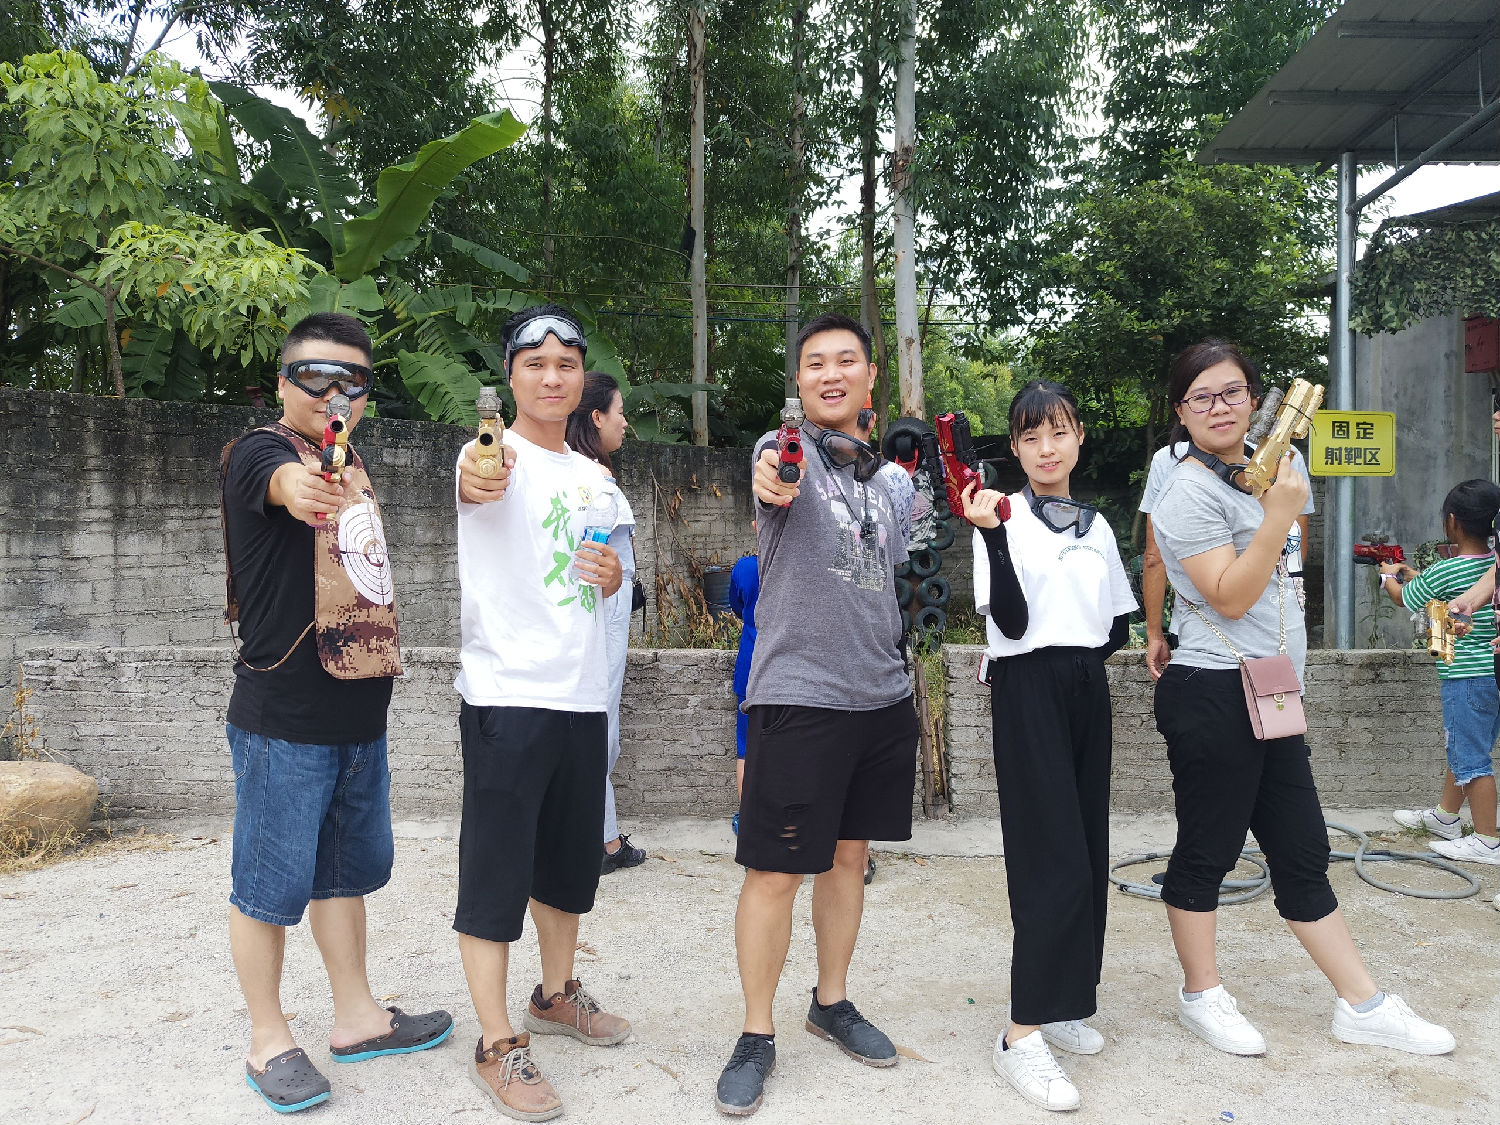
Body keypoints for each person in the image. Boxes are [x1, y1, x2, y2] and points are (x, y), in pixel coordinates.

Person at [1150, 339, 1454, 1059]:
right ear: (1181, 412)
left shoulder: (1275, 468)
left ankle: (1362, 1003)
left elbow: (1285, 584)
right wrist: (1278, 514)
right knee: (1209, 848)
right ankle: (1201, 993)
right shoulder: (1185, 492)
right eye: (1201, 397)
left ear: (1254, 399)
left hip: (1274, 688)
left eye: (1232, 392)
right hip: (1211, 688)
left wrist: (1280, 503)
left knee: (1303, 848)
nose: (1219, 407)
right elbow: (1229, 596)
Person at [219, 312, 452, 1114]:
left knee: (341, 875)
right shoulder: (261, 453)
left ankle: (357, 1016)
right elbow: (289, 485)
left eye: (353, 380)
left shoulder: (353, 462)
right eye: (315, 376)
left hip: (358, 712)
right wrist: (306, 483)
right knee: (266, 887)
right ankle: (268, 1038)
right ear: (284, 382)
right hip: (283, 719)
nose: (334, 393)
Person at [714, 313, 918, 1117]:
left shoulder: (892, 482)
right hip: (800, 695)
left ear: (870, 377)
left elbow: (885, 571)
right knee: (775, 870)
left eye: (846, 360)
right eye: (814, 363)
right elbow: (774, 472)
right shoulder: (784, 447)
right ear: (799, 381)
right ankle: (756, 1031)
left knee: (848, 857)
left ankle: (830, 1001)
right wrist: (776, 470)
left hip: (881, 695)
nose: (831, 373)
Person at [453, 304, 633, 1122]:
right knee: (496, 874)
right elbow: (477, 476)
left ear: (581, 375)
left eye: (566, 363)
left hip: (580, 693)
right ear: (511, 375)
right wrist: (480, 463)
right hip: (506, 693)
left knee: (567, 867)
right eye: (536, 362)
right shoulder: (491, 452)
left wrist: (612, 577)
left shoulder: (596, 476)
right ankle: (497, 1041)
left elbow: (611, 575)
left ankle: (555, 993)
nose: (553, 376)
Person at [963, 380, 1137, 1112]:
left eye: (1058, 432)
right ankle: (1020, 1033)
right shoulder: (996, 515)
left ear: (1079, 437)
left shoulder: (1097, 526)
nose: (1045, 448)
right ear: (1015, 446)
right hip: (1027, 684)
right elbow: (1008, 620)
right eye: (1031, 436)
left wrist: (1079, 666)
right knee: (1049, 858)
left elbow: (1118, 623)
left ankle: (1065, 1001)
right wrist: (994, 537)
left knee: (1088, 851)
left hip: (1084, 686)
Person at [1377, 479, 1500, 864]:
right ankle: (1446, 817)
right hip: (1491, 676)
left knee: (1472, 759)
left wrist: (1387, 575)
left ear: (1452, 523)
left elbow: (1403, 598)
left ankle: (1486, 840)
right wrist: (1414, 574)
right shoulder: (1493, 566)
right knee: (1465, 748)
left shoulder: (1446, 569)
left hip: (1464, 678)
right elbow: (1439, 591)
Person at [1140, 425, 1313, 682]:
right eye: (1204, 402)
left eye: (1231, 399)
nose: (1220, 408)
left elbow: (1154, 556)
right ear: (1181, 411)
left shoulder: (1167, 459)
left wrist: (1154, 634)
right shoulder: (1285, 456)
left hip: (1229, 650)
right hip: (1265, 644)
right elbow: (1294, 554)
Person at [566, 371, 647, 874]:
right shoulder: (594, 480)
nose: (625, 422)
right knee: (601, 722)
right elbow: (594, 558)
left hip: (601, 612)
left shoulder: (578, 472)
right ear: (597, 417)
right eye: (619, 412)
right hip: (602, 614)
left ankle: (604, 836)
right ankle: (598, 842)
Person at [727, 546, 759, 836]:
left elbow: (736, 606)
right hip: (789, 669)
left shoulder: (746, 568)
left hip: (751, 665)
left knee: (746, 749)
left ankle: (749, 822)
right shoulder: (795, 566)